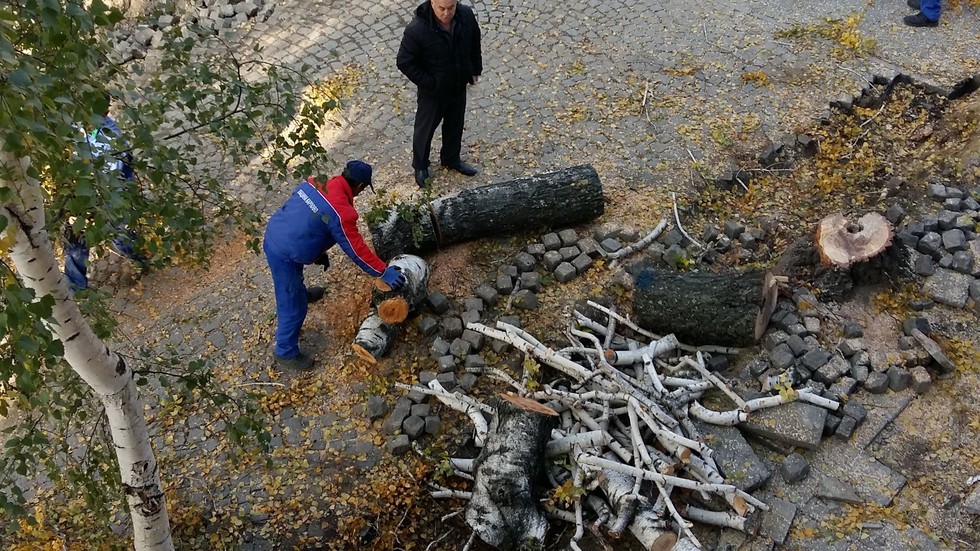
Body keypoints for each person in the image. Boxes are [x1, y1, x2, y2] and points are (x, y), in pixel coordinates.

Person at [263, 160, 407, 371]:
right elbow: (355, 248)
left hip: (278, 232)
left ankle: (300, 292)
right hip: (283, 253)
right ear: (359, 186)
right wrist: (382, 271)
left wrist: (316, 250)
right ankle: (285, 352)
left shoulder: (315, 182)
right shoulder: (341, 212)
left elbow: (304, 218)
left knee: (294, 284)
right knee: (292, 305)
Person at [397, 0, 483, 188]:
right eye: (441, 8)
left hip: (458, 84)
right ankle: (420, 166)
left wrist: (475, 69)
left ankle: (451, 159)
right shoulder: (417, 29)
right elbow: (404, 61)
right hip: (433, 93)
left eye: (450, 8)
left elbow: (475, 41)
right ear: (432, 3)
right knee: (425, 130)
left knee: (455, 124)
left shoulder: (466, 15)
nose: (446, 13)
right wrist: (430, 84)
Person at [64, 97, 147, 291]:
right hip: (85, 193)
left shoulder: (111, 136)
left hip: (111, 195)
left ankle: (138, 259)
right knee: (76, 239)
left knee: (119, 233)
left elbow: (109, 176)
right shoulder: (79, 126)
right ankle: (74, 287)